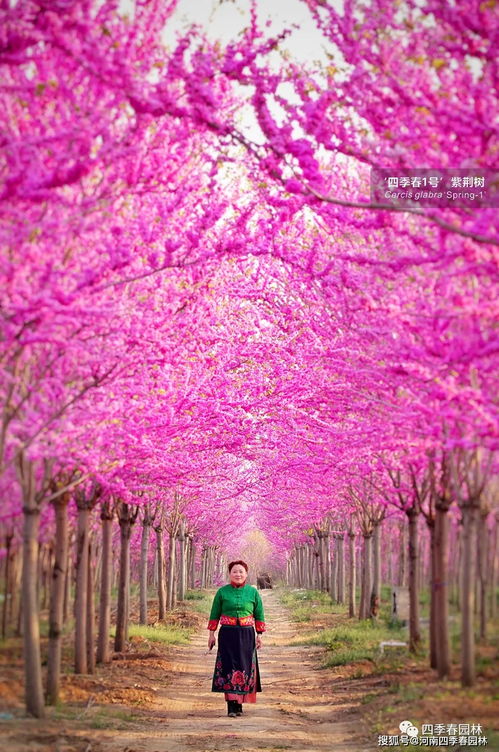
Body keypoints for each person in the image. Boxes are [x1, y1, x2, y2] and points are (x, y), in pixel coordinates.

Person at [207, 560, 266, 717]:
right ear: (230, 574)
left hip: (247, 634)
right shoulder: (222, 592)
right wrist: (211, 635)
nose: (238, 574)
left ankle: (239, 704)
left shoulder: (253, 593)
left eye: (241, 571)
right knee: (229, 667)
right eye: (234, 571)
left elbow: (259, 614)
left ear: (246, 574)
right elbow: (214, 614)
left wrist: (259, 635)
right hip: (227, 634)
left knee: (244, 667)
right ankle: (231, 706)